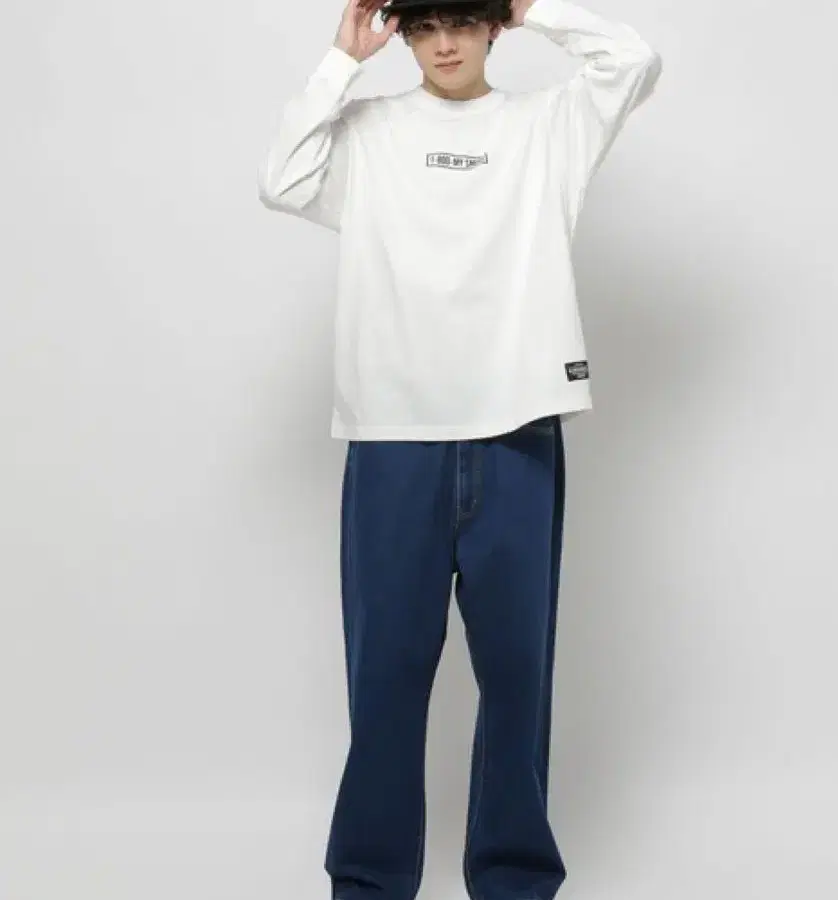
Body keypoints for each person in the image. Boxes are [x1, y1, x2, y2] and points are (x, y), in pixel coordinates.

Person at [257, 0, 661, 897]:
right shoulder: (369, 132)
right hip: (393, 440)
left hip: (517, 432)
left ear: (492, 28)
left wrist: (532, 6)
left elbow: (633, 60)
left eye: (464, 21)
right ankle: (369, 883)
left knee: (517, 681)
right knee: (385, 684)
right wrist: (341, 61)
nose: (444, 43)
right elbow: (280, 179)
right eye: (426, 25)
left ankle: (513, 880)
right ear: (404, 33)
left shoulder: (548, 126)